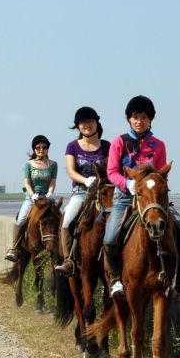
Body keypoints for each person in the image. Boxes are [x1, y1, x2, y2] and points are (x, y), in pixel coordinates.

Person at [102, 95, 180, 299]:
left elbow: (161, 174)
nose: (140, 121)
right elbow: (111, 172)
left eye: (144, 117)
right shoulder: (119, 142)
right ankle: (116, 280)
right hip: (125, 198)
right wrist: (127, 183)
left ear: (150, 120)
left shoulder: (158, 145)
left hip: (153, 199)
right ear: (129, 119)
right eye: (136, 117)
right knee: (110, 237)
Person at [54, 107, 111, 275]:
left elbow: (112, 169)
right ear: (78, 126)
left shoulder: (107, 146)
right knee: (67, 221)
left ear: (96, 123)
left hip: (103, 191)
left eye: (90, 121)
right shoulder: (72, 146)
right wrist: (85, 180)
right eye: (83, 122)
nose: (87, 125)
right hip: (81, 191)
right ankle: (69, 260)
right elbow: (71, 171)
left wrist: (101, 182)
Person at [5, 135, 58, 262]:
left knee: (58, 218)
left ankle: (59, 249)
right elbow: (27, 183)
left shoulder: (53, 164)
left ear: (48, 149)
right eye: (38, 147)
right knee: (22, 219)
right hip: (32, 198)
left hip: (46, 198)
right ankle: (15, 248)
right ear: (34, 149)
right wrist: (32, 194)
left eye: (44, 147)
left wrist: (50, 192)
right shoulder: (29, 164)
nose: (41, 149)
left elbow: (52, 181)